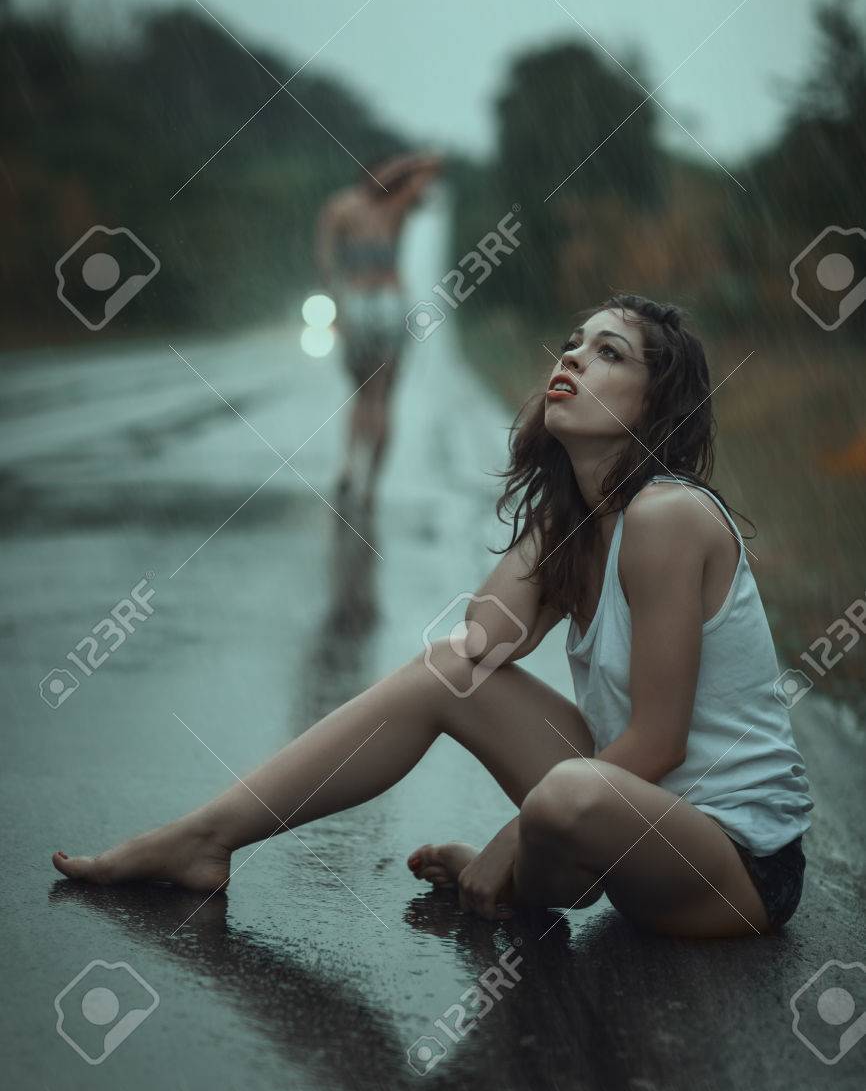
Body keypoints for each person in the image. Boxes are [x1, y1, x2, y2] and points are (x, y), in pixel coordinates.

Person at [52, 293, 813, 938]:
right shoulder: (586, 523)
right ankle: (206, 837)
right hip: (628, 827)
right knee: (450, 670)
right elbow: (483, 639)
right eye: (572, 345)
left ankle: (520, 869)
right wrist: (560, 505)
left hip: (734, 865)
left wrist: (514, 833)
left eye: (608, 354)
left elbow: (660, 739)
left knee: (565, 794)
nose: (573, 359)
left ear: (656, 404)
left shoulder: (668, 516)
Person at [314, 151, 443, 510]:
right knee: (383, 396)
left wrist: (336, 304)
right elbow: (431, 170)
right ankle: (369, 485)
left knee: (361, 393)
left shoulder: (339, 207)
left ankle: (350, 466)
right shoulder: (396, 205)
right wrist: (415, 160)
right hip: (389, 301)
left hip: (355, 300)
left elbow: (325, 261)